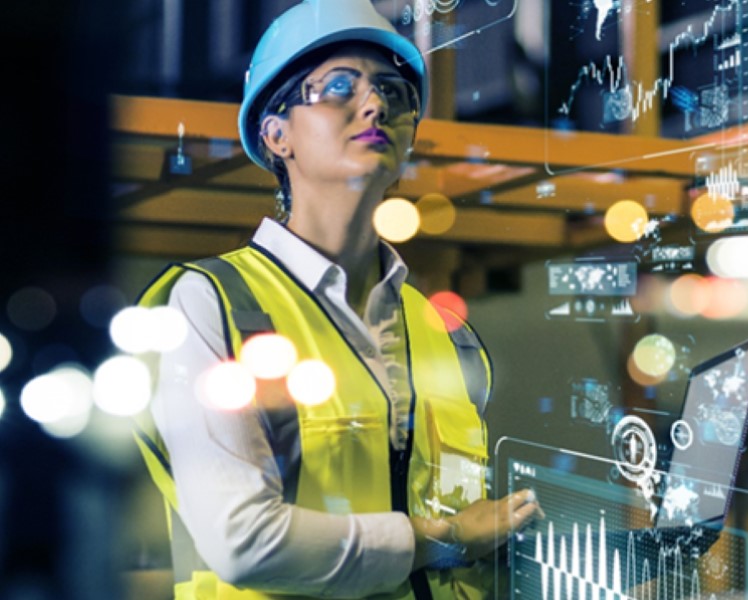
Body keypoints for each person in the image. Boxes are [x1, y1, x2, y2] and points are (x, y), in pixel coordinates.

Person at [132, 0, 541, 597]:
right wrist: (445, 536)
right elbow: (244, 541)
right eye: (339, 87)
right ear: (276, 134)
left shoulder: (441, 331)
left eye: (394, 93)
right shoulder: (212, 305)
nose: (374, 105)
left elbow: (458, 520)